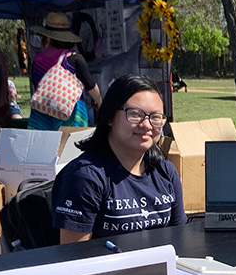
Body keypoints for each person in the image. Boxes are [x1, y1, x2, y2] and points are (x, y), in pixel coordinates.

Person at [51, 74, 185, 243]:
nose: (147, 125)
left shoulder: (166, 172)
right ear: (110, 117)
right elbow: (74, 258)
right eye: (135, 114)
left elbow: (179, 241)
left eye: (156, 117)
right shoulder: (84, 177)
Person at [28, 12, 102, 131]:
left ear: (47, 37)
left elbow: (37, 85)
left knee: (46, 147)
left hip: (42, 115)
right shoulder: (74, 58)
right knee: (70, 147)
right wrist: (100, 103)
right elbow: (90, 86)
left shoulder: (37, 60)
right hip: (70, 114)